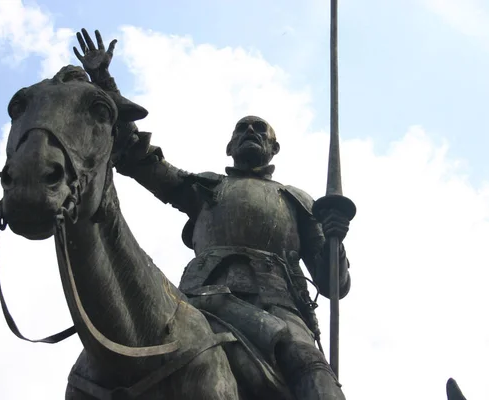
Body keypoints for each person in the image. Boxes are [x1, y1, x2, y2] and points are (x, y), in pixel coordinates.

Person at [74, 29, 352, 400]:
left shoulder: (297, 200)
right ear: (230, 146)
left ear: (274, 147)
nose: (250, 131)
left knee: (308, 365)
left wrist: (336, 241)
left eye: (259, 130)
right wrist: (104, 82)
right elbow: (140, 159)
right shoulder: (207, 187)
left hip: (276, 307)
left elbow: (334, 285)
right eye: (242, 128)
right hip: (197, 301)